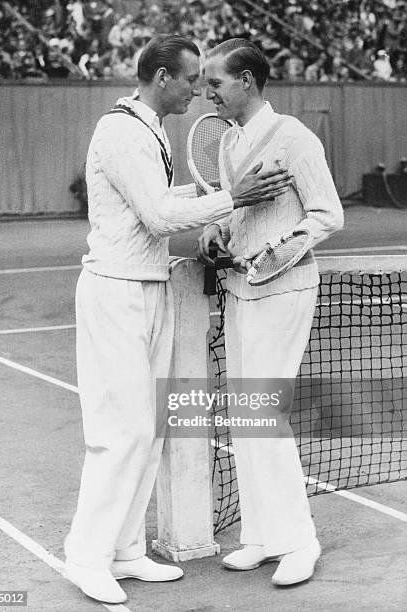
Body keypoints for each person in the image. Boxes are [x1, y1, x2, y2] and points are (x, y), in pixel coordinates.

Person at [64, 34, 292, 604]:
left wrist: (216, 193)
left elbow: (159, 200)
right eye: (192, 79)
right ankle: (86, 557)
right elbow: (160, 214)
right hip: (114, 294)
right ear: (163, 78)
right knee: (122, 432)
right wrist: (232, 198)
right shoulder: (118, 130)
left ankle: (124, 552)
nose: (199, 89)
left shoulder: (150, 129)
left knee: (152, 428)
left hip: (150, 287)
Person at [197, 38, 344, 586]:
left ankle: (300, 541)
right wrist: (217, 231)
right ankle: (259, 536)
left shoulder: (296, 139)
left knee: (263, 414)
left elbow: (328, 214)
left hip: (284, 292)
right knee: (244, 415)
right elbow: (236, 214)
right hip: (240, 292)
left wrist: (275, 252)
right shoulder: (230, 142)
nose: (207, 93)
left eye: (215, 83)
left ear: (247, 83)